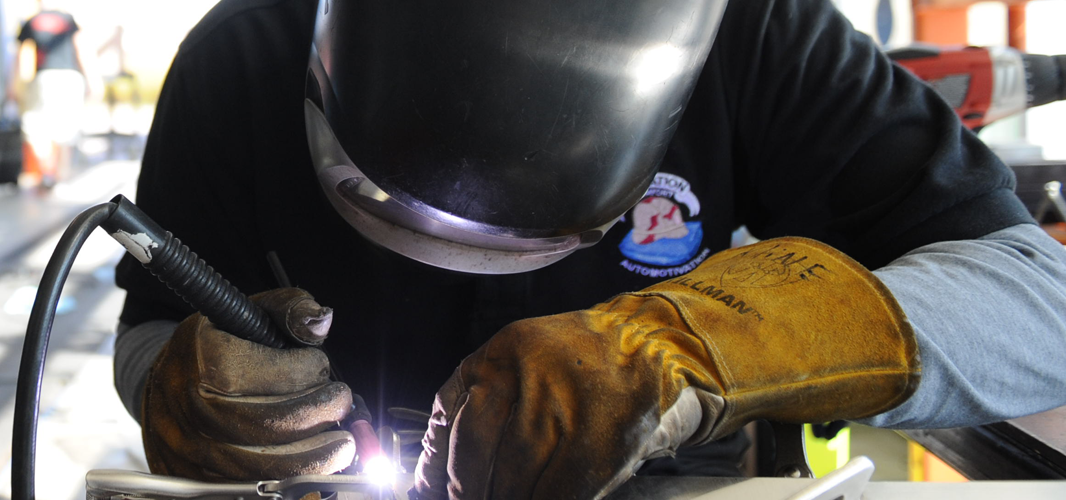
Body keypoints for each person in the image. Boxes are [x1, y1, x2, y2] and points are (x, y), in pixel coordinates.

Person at [110, 0, 1066, 497]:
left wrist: (701, 348)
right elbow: (153, 325)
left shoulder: (758, 34)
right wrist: (181, 385)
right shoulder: (239, 59)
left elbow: (1038, 301)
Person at [10, 1, 88, 187]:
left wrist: (13, 84)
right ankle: (60, 174)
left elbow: (19, 56)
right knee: (65, 128)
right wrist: (91, 78)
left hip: (44, 76)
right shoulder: (68, 19)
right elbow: (81, 50)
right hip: (70, 77)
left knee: (35, 126)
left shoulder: (32, 21)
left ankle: (47, 171)